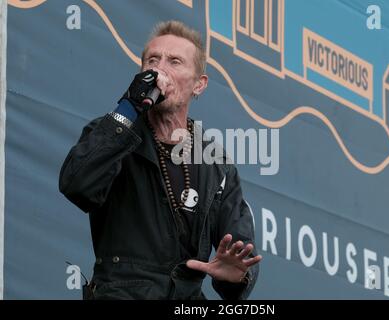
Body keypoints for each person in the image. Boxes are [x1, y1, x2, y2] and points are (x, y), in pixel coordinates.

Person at [59, 20, 262, 300]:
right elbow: (77, 185)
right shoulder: (112, 131)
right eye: (152, 60)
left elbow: (241, 253)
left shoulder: (217, 164)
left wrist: (238, 275)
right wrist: (128, 106)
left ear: (199, 85)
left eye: (175, 61)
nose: (159, 68)